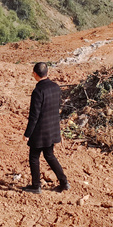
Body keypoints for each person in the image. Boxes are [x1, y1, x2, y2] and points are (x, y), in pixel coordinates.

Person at [22, 62, 69, 194]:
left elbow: (34, 115)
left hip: (40, 131)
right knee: (49, 155)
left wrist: (27, 133)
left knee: (34, 157)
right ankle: (64, 182)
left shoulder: (38, 91)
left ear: (35, 74)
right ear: (47, 73)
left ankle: (36, 185)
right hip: (52, 128)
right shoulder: (55, 87)